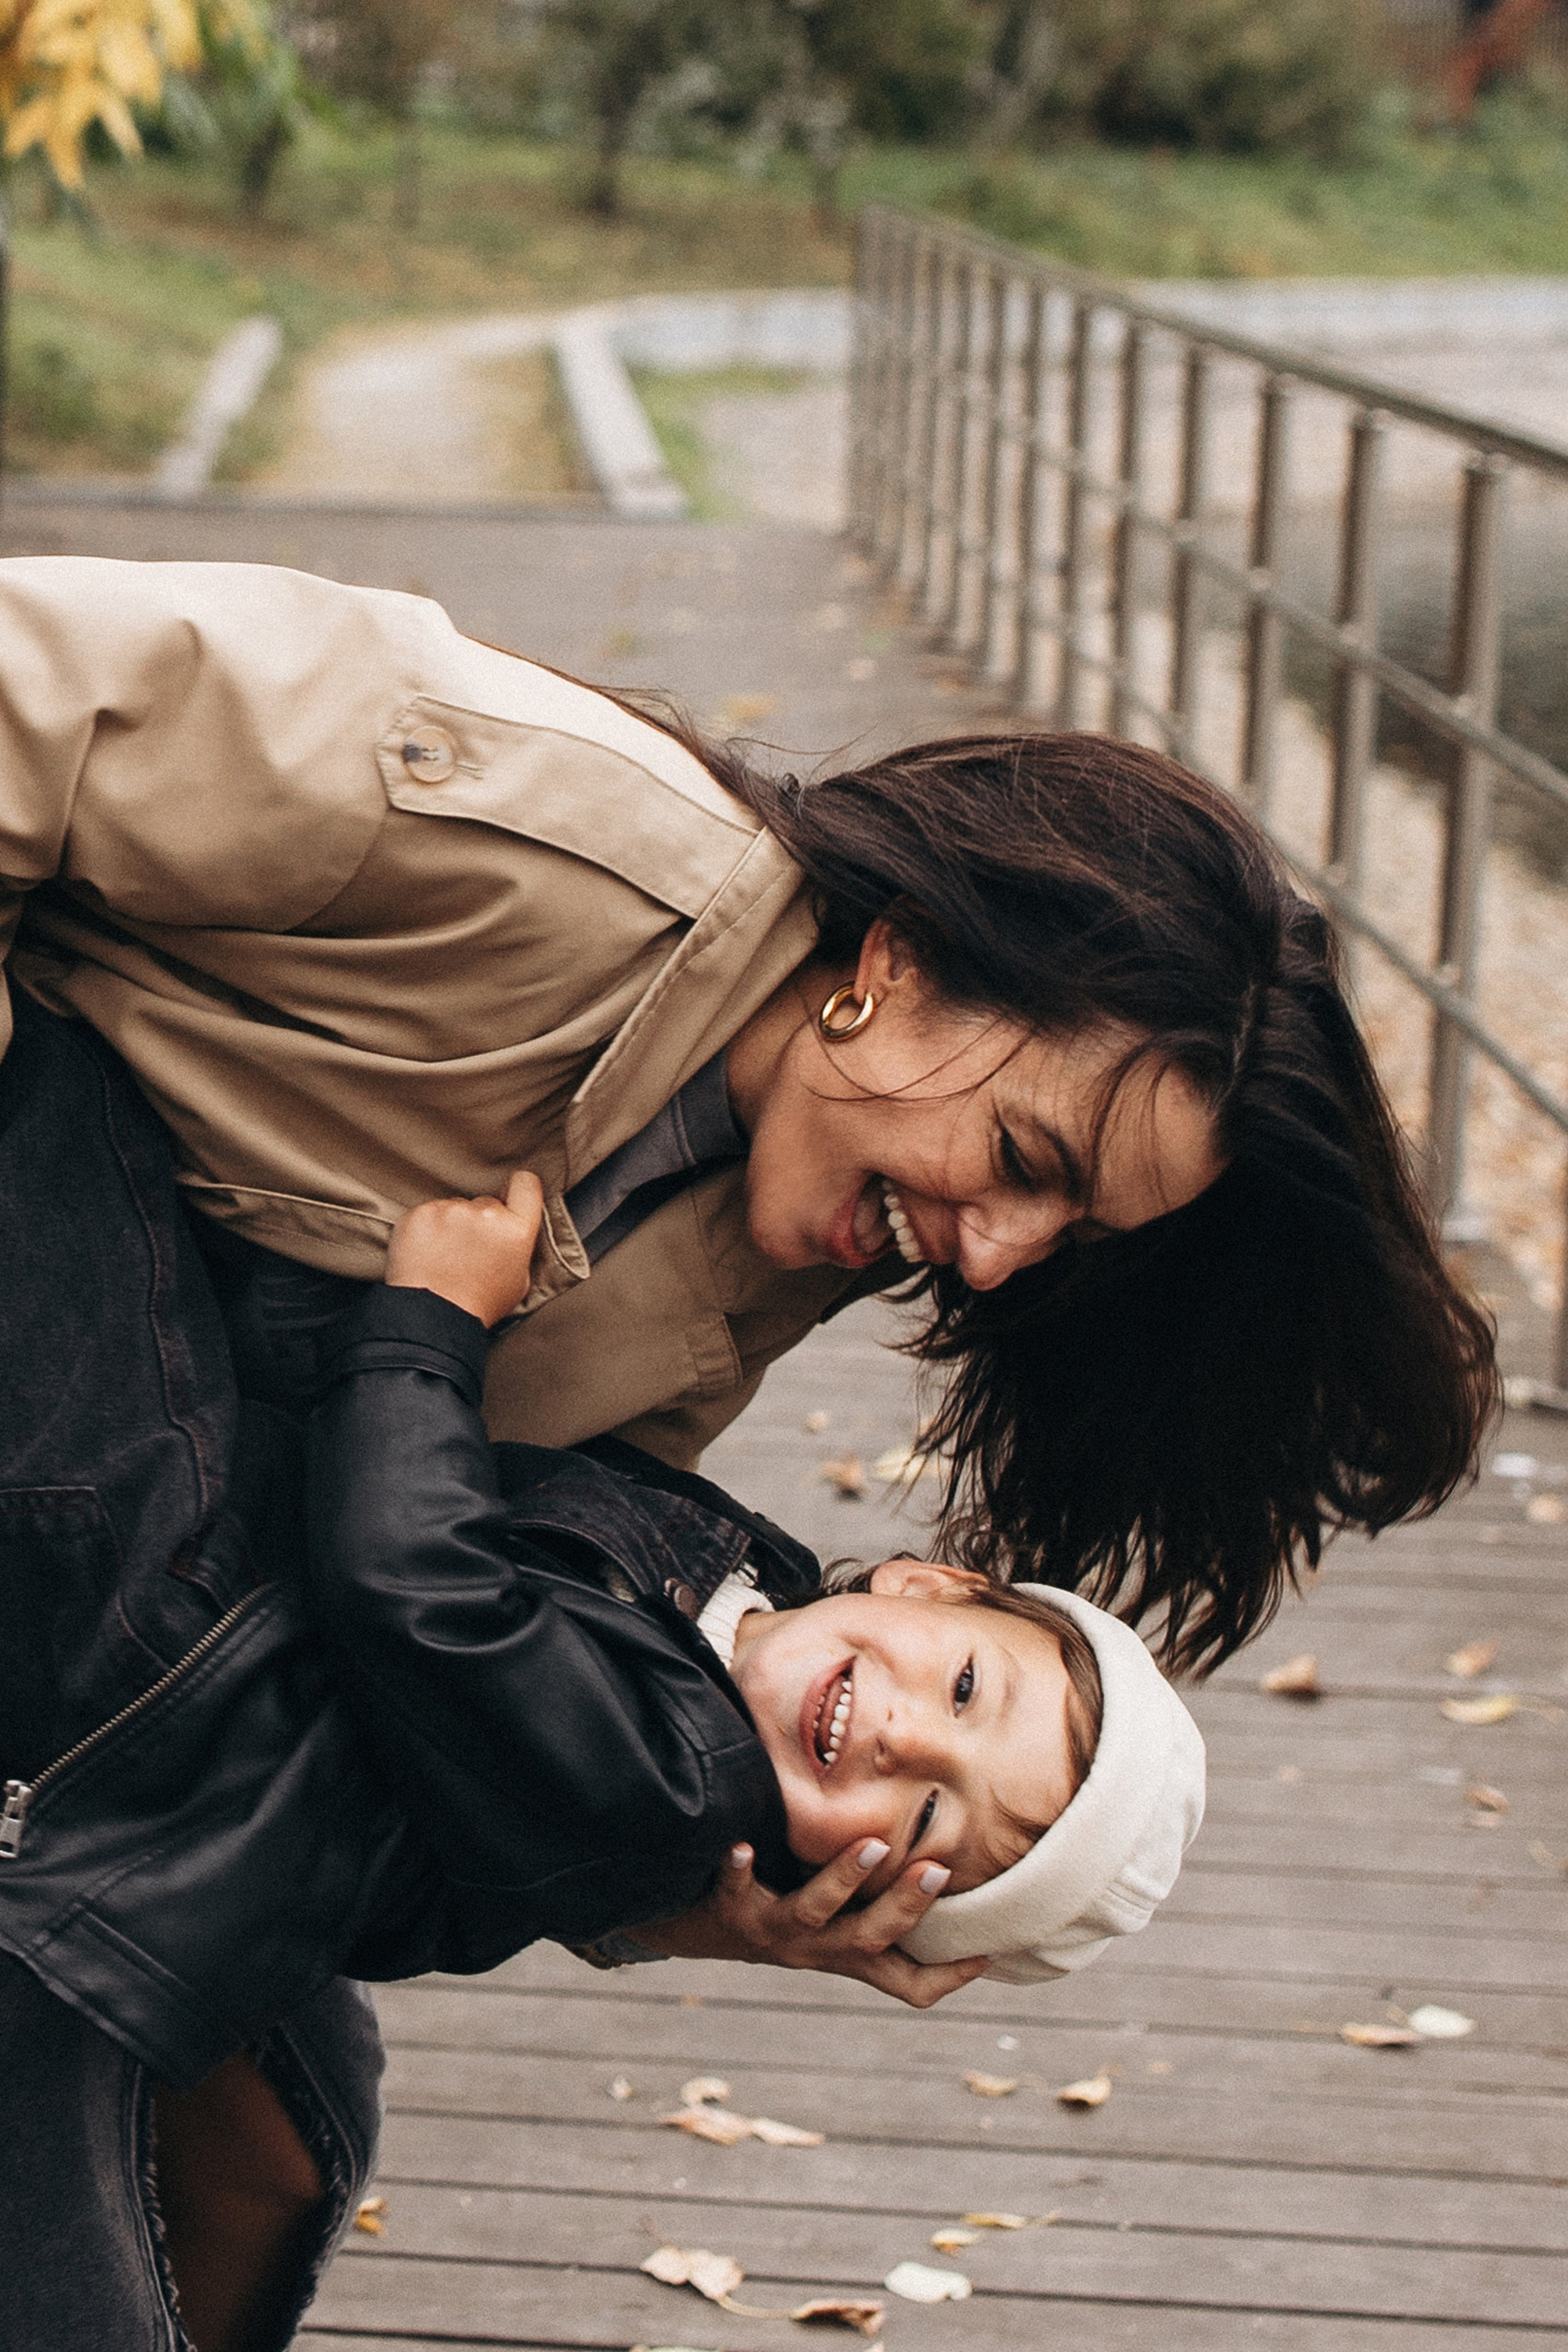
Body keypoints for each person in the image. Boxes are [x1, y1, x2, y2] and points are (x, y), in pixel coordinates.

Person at [0, 555, 1496, 1702]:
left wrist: (702, 1879)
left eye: (1069, 1233)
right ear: (899, 966)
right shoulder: (519, 812)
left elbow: (436, 1581)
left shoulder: (776, 1253)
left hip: (98, 1589)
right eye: (1025, 1166)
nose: (993, 1260)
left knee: (282, 2045)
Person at [0, 994, 1204, 2352]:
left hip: (156, 1641)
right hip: (212, 1705)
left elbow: (423, 1589)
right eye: (967, 1691)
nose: (904, 1739)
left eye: (928, 1821)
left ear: (854, 1881)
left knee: (59, 1097)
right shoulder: (744, 1597)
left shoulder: (674, 1786)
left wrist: (427, 1323)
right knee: (308, 2131)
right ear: (930, 1584)